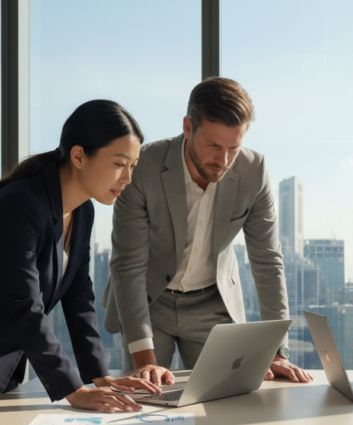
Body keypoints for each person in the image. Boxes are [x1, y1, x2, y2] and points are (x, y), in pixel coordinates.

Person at [0, 100, 160, 425]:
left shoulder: (83, 211)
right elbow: (24, 304)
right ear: (78, 156)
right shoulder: (19, 205)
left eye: (133, 165)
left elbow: (79, 298)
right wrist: (74, 390)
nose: (128, 178)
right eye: (120, 163)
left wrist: (98, 377)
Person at [102, 77, 312, 386]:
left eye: (234, 148)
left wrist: (278, 351)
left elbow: (267, 261)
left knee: (221, 397)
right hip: (149, 302)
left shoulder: (254, 172)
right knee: (145, 396)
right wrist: (144, 359)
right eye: (213, 145)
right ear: (188, 127)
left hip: (212, 305)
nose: (223, 161)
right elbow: (128, 264)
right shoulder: (144, 165)